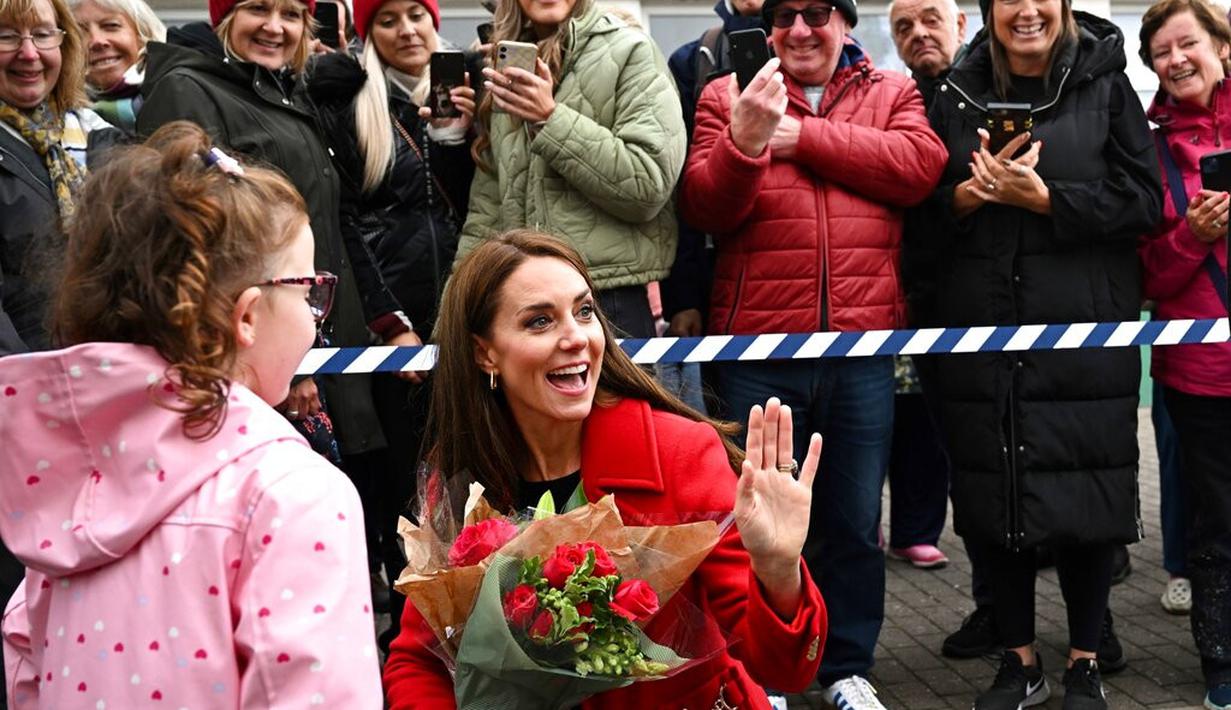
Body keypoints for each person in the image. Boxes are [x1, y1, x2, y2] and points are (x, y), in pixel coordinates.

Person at [0, 121, 381, 709]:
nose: (314, 317)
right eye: (309, 293)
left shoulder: (69, 488)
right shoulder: (289, 493)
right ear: (248, 315)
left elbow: (26, 670)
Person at [383, 229, 828, 709]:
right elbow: (418, 661)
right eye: (539, 321)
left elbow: (782, 668)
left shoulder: (680, 453)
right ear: (484, 352)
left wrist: (779, 571)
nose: (576, 337)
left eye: (584, 311)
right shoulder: (461, 483)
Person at [679, 1, 947, 706]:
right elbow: (704, 207)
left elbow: (920, 168)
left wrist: (804, 138)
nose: (800, 28)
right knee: (752, 519)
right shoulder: (725, 93)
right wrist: (743, 143)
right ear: (767, 29)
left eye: (817, 11)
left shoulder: (891, 90)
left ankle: (845, 669)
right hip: (757, 347)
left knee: (854, 520)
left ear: (845, 23)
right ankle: (756, 675)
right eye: (784, 14)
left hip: (861, 346)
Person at [920, 0, 1163, 703]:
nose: (1025, 11)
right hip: (980, 328)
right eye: (1008, 0)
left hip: (1082, 328)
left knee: (1086, 493)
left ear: (1059, 6)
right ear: (988, 11)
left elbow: (1144, 202)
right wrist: (965, 198)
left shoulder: (1104, 81)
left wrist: (1047, 200)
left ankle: (1084, 660)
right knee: (993, 500)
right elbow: (920, 211)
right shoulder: (953, 91)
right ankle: (1018, 661)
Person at [138, 0, 408, 536]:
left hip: (328, 347)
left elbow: (330, 221)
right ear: (223, 19)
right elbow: (207, 243)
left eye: (290, 14)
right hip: (267, 360)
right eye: (257, 8)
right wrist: (288, 365)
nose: (274, 26)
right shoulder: (188, 91)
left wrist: (384, 319)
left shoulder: (286, 92)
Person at [308, 0, 477, 651]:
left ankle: (472, 625)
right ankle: (411, 643)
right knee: (406, 488)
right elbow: (349, 223)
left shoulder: (458, 95)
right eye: (389, 20)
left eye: (418, 15)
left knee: (468, 475)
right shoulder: (354, 100)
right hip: (393, 329)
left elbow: (462, 211)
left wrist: (459, 138)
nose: (408, 30)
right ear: (367, 34)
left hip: (459, 313)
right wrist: (390, 322)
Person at [456, 0, 687, 339]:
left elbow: (647, 184)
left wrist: (550, 119)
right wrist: (455, 314)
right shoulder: (508, 70)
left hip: (608, 299)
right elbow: (486, 211)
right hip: (520, 301)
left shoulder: (631, 51)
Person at [1138, 0, 1231, 705]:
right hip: (1201, 377)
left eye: (1186, 42)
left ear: (1220, 45)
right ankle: (1220, 665)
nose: (1175, 59)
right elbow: (1144, 278)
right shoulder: (1145, 148)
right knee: (1217, 525)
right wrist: (1191, 235)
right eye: (1161, 51)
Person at [883, 0, 967, 574]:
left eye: (930, 20)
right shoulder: (891, 95)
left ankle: (922, 526)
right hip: (902, 283)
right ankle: (909, 526)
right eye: (904, 27)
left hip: (970, 287)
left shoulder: (982, 91)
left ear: (961, 24)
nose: (919, 34)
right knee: (907, 410)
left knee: (946, 425)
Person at [70, 0, 164, 132]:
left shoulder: (181, 94)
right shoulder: (59, 121)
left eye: (110, 26)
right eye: (80, 32)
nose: (97, 41)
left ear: (142, 35)